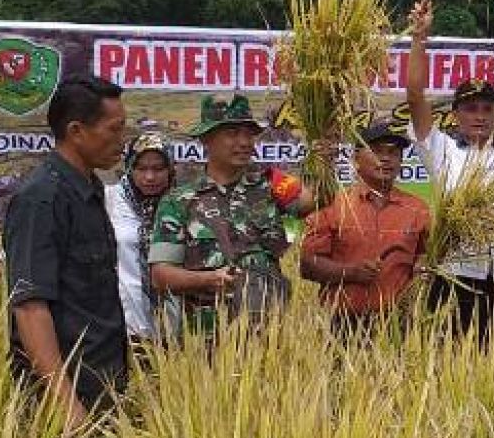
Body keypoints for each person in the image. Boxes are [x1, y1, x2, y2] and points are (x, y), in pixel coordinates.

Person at [406, 0, 494, 340]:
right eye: (471, 109)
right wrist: (419, 40)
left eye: (487, 109)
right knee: (450, 357)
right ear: (456, 114)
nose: (480, 117)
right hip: (456, 272)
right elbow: (414, 96)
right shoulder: (442, 150)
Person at [5, 76, 128, 428]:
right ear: (76, 131)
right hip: (67, 400)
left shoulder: (89, 189)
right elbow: (29, 306)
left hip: (101, 383)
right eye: (114, 129)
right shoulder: (41, 199)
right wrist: (65, 403)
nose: (122, 141)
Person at [149, 94, 311, 336]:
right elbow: (161, 276)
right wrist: (209, 280)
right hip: (204, 339)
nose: (245, 142)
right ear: (206, 139)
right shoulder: (179, 201)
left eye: (249, 134)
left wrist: (321, 157)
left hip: (268, 341)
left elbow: (310, 203)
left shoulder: (271, 185)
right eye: (233, 133)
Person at [300, 120, 430, 337]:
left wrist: (424, 271)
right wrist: (351, 273)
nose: (386, 158)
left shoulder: (418, 210)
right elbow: (308, 266)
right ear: (356, 159)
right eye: (377, 151)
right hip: (342, 325)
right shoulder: (333, 205)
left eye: (394, 152)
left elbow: (426, 259)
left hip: (400, 325)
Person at [105, 132, 178, 345]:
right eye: (142, 169)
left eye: (158, 169)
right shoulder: (109, 200)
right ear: (129, 167)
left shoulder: (183, 203)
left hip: (175, 328)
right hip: (125, 323)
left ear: (171, 168)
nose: (149, 177)